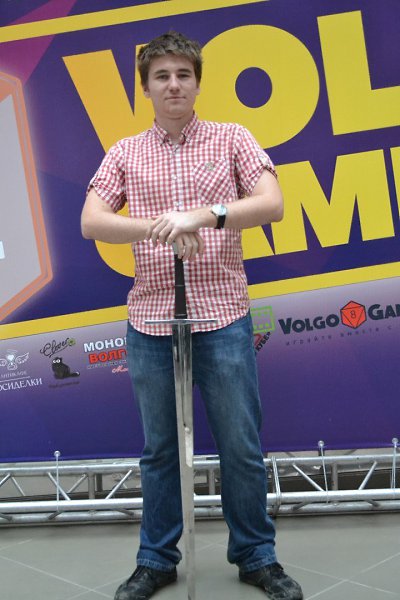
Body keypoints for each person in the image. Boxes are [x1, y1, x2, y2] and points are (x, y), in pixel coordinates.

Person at [82, 31, 303, 600]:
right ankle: (156, 560)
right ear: (146, 89)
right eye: (162, 76)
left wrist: (203, 216)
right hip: (151, 322)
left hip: (223, 317)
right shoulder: (125, 152)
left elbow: (272, 203)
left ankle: (256, 556)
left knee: (240, 445)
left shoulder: (233, 138)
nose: (174, 85)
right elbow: (92, 220)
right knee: (160, 450)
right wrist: (161, 227)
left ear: (198, 83)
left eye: (183, 74)